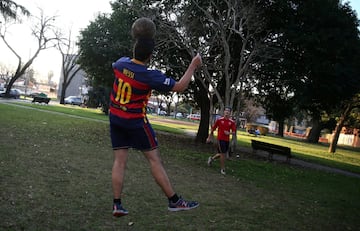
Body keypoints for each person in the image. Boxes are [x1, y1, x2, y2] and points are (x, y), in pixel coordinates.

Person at [109, 17, 202, 217]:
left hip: (115, 118)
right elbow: (179, 86)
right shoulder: (149, 75)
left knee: (119, 161)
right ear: (150, 56)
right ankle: (174, 201)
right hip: (135, 122)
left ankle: (117, 204)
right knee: (154, 160)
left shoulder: (120, 63)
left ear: (134, 49)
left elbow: (120, 66)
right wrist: (193, 65)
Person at [206, 107, 236, 175]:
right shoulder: (219, 120)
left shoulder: (231, 122)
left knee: (222, 154)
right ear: (224, 112)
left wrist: (229, 133)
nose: (227, 112)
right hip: (220, 139)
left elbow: (234, 132)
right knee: (223, 154)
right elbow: (213, 129)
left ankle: (211, 159)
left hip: (227, 140)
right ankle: (222, 169)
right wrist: (209, 137)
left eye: (228, 111)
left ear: (230, 113)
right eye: (226, 111)